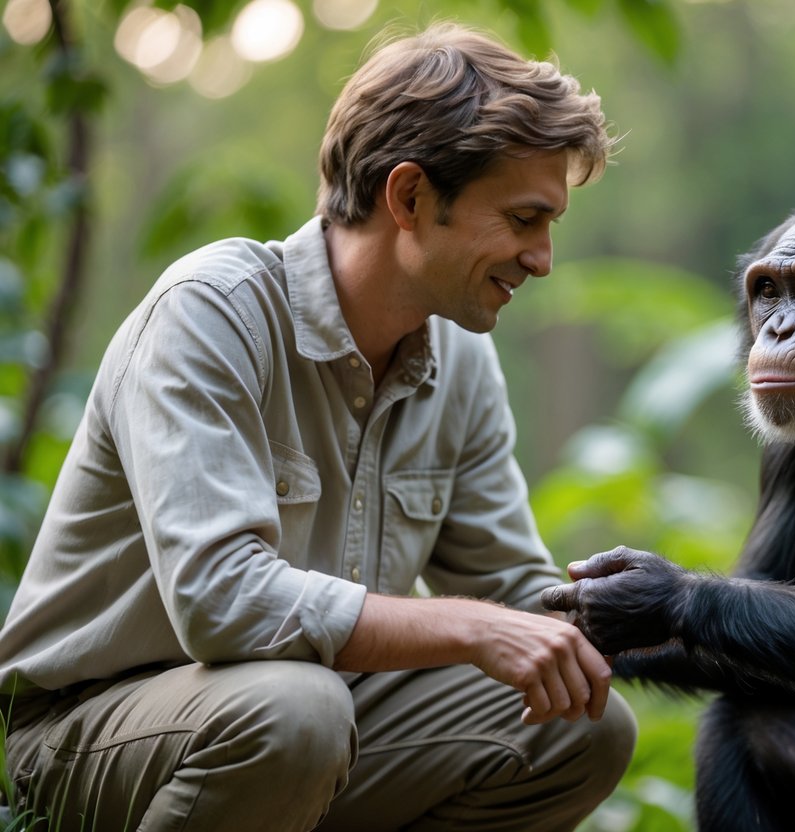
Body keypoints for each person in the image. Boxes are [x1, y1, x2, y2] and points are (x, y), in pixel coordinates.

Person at [0, 22, 635, 831]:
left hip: (305, 721)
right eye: (521, 219)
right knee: (295, 712)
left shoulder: (462, 360)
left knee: (578, 726)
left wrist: (691, 617)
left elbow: (512, 598)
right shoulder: (211, 313)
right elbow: (220, 601)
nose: (543, 258)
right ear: (408, 197)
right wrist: (471, 627)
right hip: (85, 729)